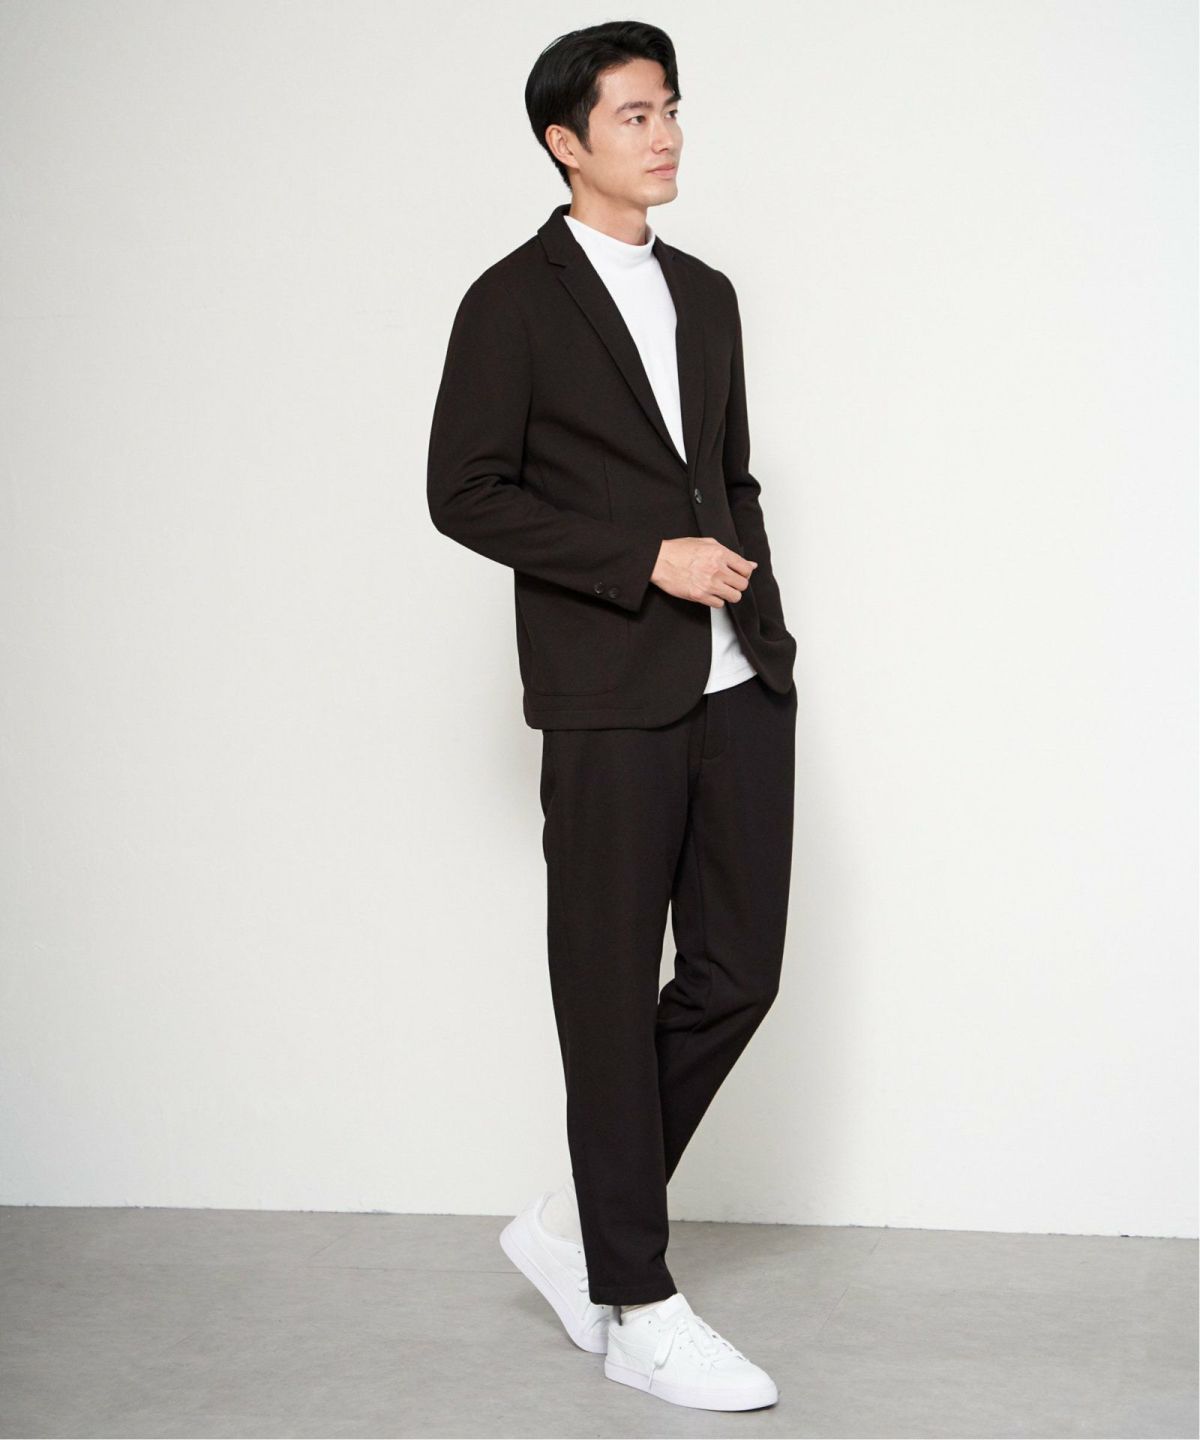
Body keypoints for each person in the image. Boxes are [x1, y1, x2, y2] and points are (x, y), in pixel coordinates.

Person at [426, 19, 797, 1414]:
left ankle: (580, 1222)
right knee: (603, 992)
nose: (667, 134)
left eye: (671, 108)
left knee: (737, 975)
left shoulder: (706, 292)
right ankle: (635, 1300)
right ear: (565, 143)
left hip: (737, 684)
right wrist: (644, 561)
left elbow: (730, 475)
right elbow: (465, 492)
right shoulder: (510, 302)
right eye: (635, 115)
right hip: (606, 695)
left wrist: (761, 618)